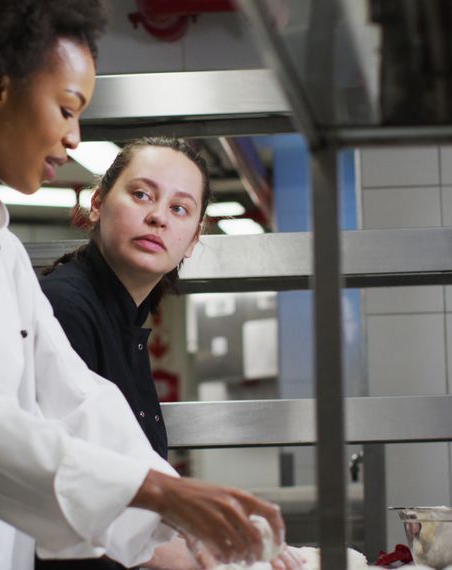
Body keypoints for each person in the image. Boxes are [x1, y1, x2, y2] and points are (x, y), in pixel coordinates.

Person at [0, 2, 288, 569]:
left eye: (182, 209)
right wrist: (163, 496)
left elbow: (79, 401)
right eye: (66, 110)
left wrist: (183, 514)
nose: (73, 138)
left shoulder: (0, 245)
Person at [37, 139, 307, 570]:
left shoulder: (124, 321)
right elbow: (64, 486)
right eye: (141, 194)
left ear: (194, 236)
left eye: (180, 208)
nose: (158, 217)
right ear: (98, 203)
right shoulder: (64, 310)